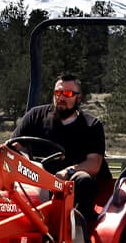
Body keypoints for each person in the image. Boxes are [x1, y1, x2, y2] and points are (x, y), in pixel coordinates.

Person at [10, 73, 111, 227]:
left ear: (78, 97)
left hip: (69, 181)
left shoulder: (91, 125)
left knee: (83, 179)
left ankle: (78, 231)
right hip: (38, 178)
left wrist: (67, 172)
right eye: (58, 93)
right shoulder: (35, 116)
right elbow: (12, 147)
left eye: (68, 94)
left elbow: (94, 164)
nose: (61, 98)